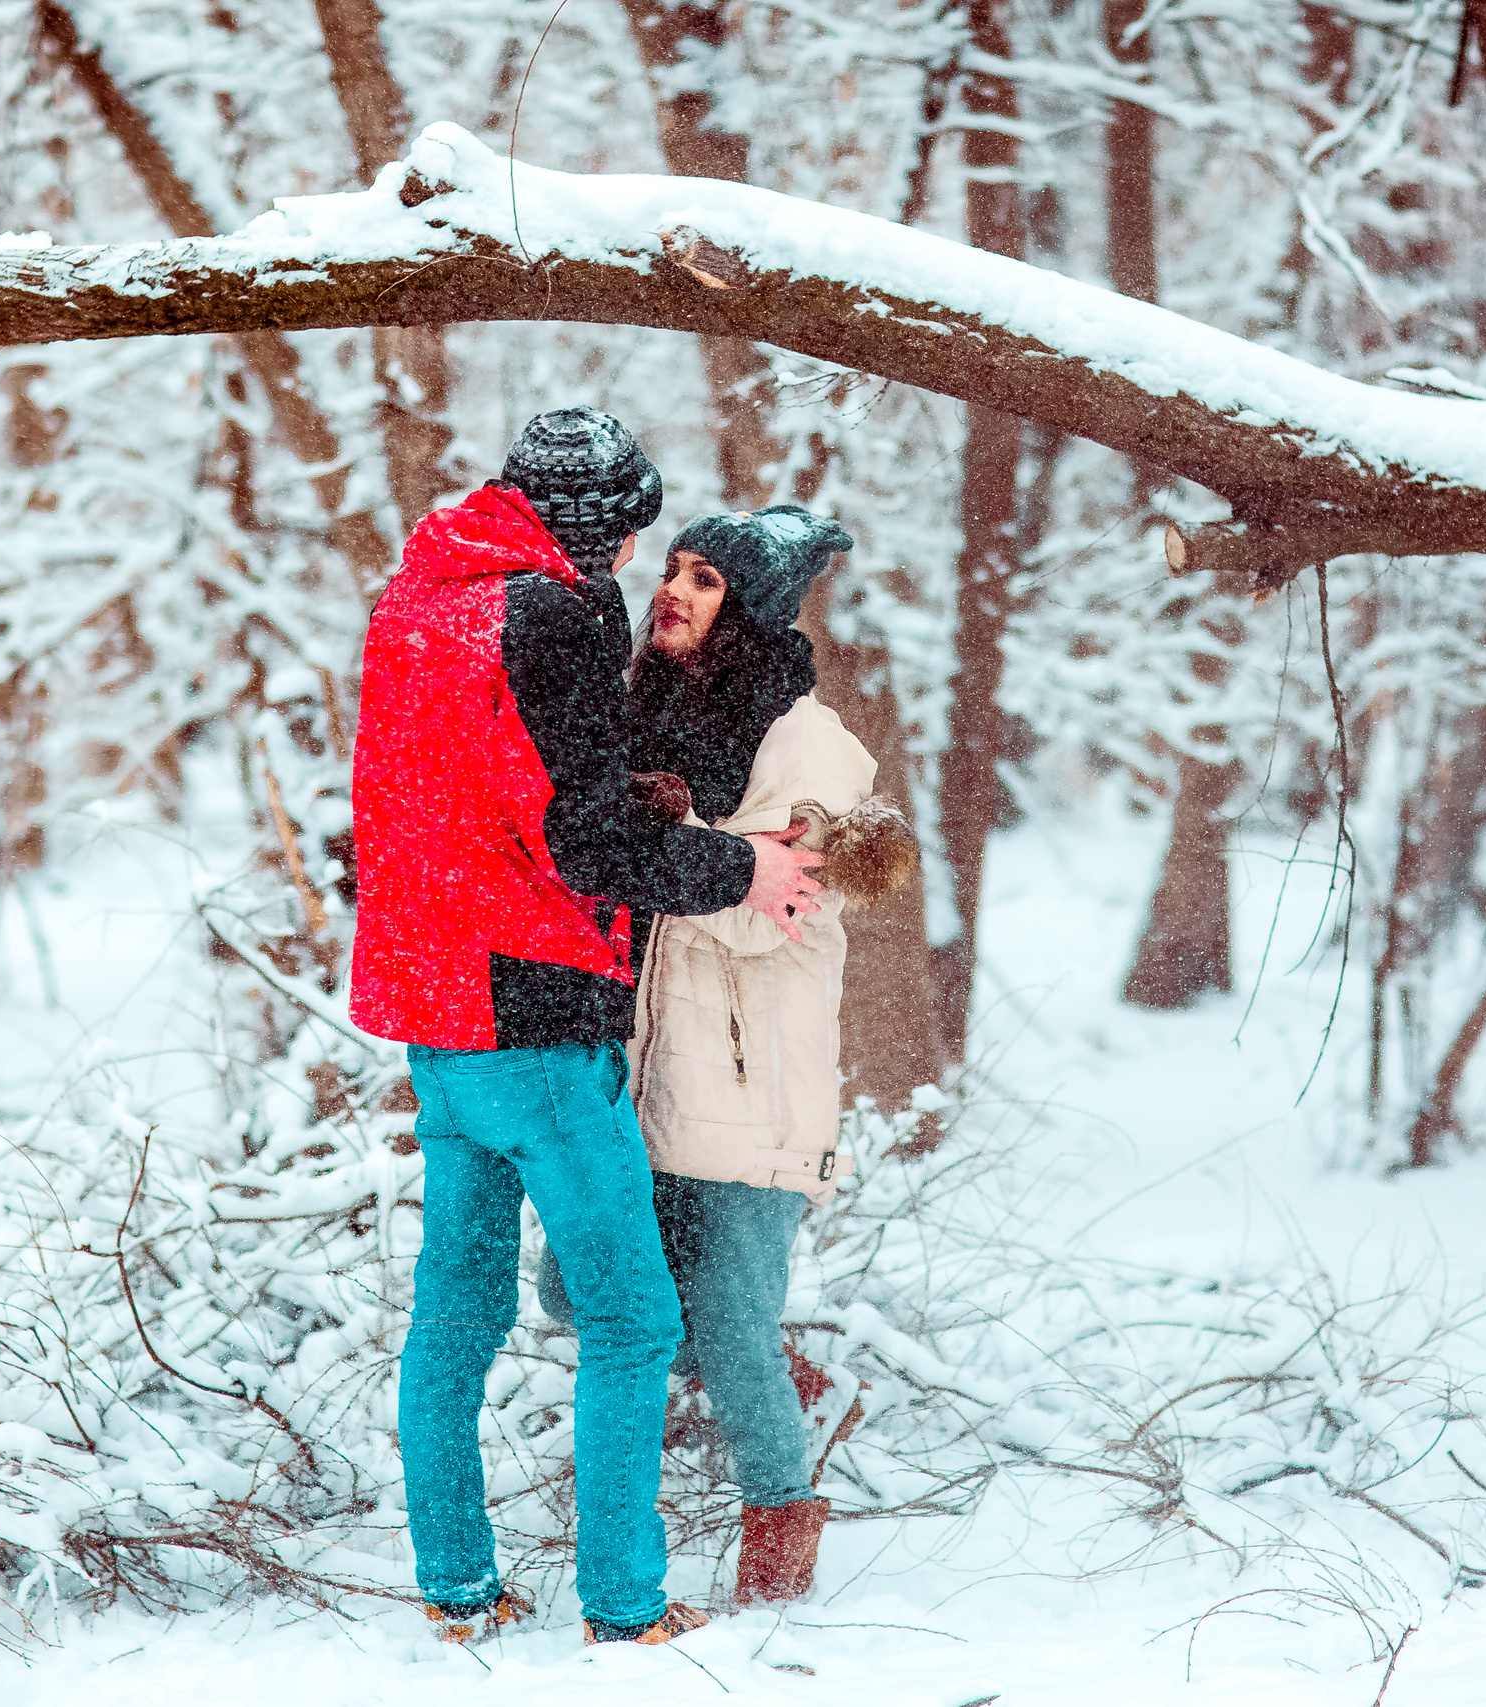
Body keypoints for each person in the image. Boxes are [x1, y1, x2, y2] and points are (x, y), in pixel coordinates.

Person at [349, 410, 825, 1648]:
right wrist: (744, 868)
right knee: (630, 1317)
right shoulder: (555, 612)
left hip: (436, 1016)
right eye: (625, 538)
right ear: (593, 525)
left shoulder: (414, 599)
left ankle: (459, 1589)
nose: (629, 564)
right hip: (540, 1020)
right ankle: (624, 1603)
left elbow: (465, 799)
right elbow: (589, 843)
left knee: (455, 1314)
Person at [544, 505, 915, 1609]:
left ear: (746, 611)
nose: (674, 593)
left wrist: (650, 845)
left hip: (754, 1081)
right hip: (646, 1072)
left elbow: (763, 912)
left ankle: (779, 1537)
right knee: (576, 1288)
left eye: (705, 581)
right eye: (674, 570)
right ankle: (793, 1389)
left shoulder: (811, 747)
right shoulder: (643, 713)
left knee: (728, 1314)